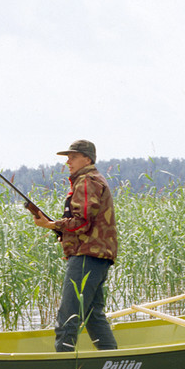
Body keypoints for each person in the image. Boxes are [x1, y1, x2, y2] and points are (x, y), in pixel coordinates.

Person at [30, 139, 119, 352]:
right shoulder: (92, 180)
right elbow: (86, 223)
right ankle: (112, 361)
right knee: (93, 316)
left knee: (68, 317)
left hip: (87, 257)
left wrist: (51, 224)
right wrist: (60, 230)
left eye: (73, 157)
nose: (68, 161)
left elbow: (82, 221)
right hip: (96, 256)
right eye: (67, 157)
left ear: (87, 159)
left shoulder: (87, 181)